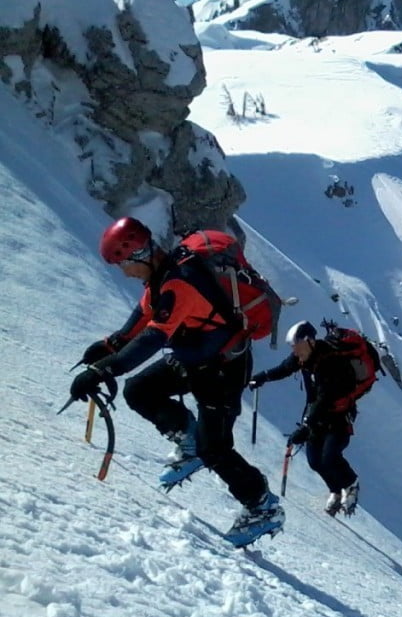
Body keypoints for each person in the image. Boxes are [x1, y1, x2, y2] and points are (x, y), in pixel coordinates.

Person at [69, 217, 283, 543]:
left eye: (123, 264)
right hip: (195, 359)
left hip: (224, 368)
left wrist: (104, 370)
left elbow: (153, 337)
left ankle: (262, 505)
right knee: (140, 390)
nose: (125, 272)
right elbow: (143, 315)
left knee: (215, 449)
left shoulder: (180, 283)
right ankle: (189, 440)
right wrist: (110, 345)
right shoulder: (163, 277)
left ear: (139, 254)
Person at [249, 320, 373, 517]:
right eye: (293, 346)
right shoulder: (303, 357)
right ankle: (335, 490)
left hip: (338, 415)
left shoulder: (329, 361)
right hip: (317, 414)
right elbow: (284, 368)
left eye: (297, 346)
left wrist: (306, 426)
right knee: (315, 461)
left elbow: (325, 398)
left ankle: (351, 484)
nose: (295, 351)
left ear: (310, 341)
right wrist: (262, 376)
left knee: (329, 457)